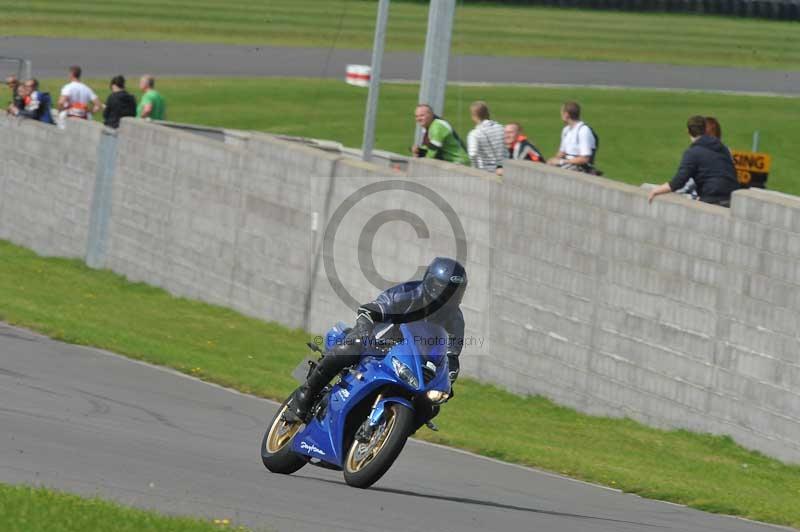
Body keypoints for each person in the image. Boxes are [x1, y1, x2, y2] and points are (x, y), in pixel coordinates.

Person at [286, 257, 468, 423]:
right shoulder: (409, 293)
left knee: (431, 405)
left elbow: (451, 354)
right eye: (445, 291)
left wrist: (449, 376)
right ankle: (306, 395)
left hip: (412, 363)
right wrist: (366, 324)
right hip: (379, 343)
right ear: (430, 284)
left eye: (456, 292)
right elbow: (377, 307)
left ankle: (391, 431)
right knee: (352, 346)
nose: (449, 297)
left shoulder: (455, 319)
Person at [648, 115, 740, 207]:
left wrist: (656, 190)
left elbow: (679, 182)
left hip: (713, 199)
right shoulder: (723, 148)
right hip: (732, 199)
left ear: (688, 132)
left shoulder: (692, 153)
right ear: (704, 129)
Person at [546, 101, 599, 174]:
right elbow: (562, 152)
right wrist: (553, 160)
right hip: (568, 163)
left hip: (580, 167)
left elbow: (584, 159)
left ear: (566, 115)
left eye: (562, 113)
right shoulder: (566, 130)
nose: (561, 116)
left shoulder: (583, 130)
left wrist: (561, 161)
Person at [466, 101, 505, 173]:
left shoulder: (474, 134)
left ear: (474, 115)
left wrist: (475, 169)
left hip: (485, 172)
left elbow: (473, 154)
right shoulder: (501, 127)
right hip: (504, 171)